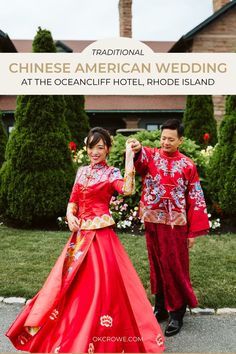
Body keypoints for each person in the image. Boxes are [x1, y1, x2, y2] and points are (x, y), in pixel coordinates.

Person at [6, 127, 164, 353]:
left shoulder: (111, 173)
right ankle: (73, 327)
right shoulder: (81, 171)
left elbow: (127, 190)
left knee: (103, 286)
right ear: (87, 148)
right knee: (70, 284)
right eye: (91, 147)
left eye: (100, 147)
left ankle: (100, 334)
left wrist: (129, 157)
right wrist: (71, 215)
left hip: (102, 238)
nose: (95, 152)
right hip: (79, 238)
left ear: (108, 149)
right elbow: (73, 199)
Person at [130, 119, 210, 337]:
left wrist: (193, 232)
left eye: (170, 139)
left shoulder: (188, 165)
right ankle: (162, 308)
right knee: (157, 264)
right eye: (163, 138)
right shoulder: (151, 156)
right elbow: (139, 160)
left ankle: (177, 314)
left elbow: (195, 199)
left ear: (180, 141)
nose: (165, 142)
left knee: (174, 266)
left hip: (176, 226)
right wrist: (136, 149)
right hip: (152, 222)